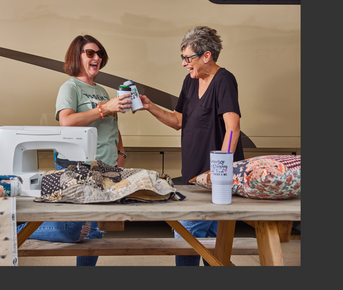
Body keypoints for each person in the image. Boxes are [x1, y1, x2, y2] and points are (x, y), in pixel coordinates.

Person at [17, 34, 132, 266]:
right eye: (90, 53)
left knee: (93, 233)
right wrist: (103, 110)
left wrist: (120, 153)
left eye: (100, 54)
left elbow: (112, 125)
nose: (97, 57)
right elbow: (66, 122)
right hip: (78, 166)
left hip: (105, 166)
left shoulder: (101, 91)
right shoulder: (69, 87)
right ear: (77, 57)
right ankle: (18, 229)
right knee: (74, 229)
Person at [138, 26, 244, 266]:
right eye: (183, 58)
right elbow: (178, 121)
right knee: (207, 246)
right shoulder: (190, 81)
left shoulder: (224, 80)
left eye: (188, 58)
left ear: (207, 55)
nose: (184, 63)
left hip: (214, 181)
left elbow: (232, 128)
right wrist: (149, 106)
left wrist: (220, 175)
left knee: (188, 241)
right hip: (193, 177)